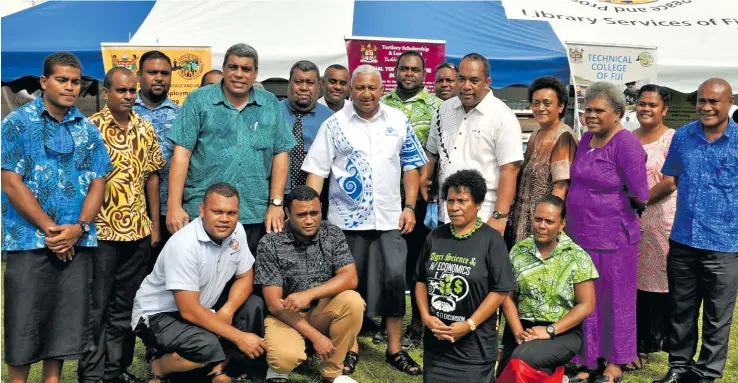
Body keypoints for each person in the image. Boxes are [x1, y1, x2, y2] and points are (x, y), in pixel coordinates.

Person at [302, 64, 427, 376]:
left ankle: (395, 350)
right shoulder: (334, 125)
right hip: (345, 224)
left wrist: (410, 205)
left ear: (381, 89)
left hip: (389, 221)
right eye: (360, 88)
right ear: (350, 90)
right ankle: (350, 348)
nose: (366, 94)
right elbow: (316, 172)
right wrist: (310, 215)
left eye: (372, 88)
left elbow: (411, 165)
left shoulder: (399, 121)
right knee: (348, 290)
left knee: (396, 284)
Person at [2, 52, 112, 383]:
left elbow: (98, 181)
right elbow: (10, 182)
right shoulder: (18, 123)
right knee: (25, 322)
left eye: (75, 81)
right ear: (44, 82)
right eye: (62, 79)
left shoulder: (88, 130)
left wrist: (77, 229)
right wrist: (53, 231)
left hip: (76, 241)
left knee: (66, 323)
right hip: (29, 240)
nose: (69, 87)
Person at [131, 182, 267, 383]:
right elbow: (188, 310)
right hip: (159, 315)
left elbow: (245, 276)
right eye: (217, 211)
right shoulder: (184, 245)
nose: (225, 219)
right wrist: (239, 337)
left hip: (202, 306)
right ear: (202, 210)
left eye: (231, 213)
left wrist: (227, 310)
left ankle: (219, 371)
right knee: (206, 345)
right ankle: (159, 366)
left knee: (253, 305)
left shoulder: (237, 231)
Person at [167, 43, 296, 254]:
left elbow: (280, 153)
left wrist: (276, 203)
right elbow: (181, 154)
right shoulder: (199, 100)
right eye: (233, 67)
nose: (239, 74)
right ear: (224, 69)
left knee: (248, 278)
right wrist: (174, 205)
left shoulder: (270, 103)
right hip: (204, 211)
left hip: (253, 210)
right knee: (200, 278)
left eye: (246, 69)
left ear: (255, 74)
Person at [80, 67, 166, 383]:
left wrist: (155, 226)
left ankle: (115, 370)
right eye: (121, 91)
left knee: (126, 306)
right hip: (99, 233)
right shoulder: (89, 130)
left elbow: (153, 177)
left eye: (132, 91)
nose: (128, 96)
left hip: (138, 233)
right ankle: (91, 374)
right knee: (97, 307)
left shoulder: (144, 128)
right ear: (106, 92)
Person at [654, 78, 738, 383]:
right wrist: (637, 202)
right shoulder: (684, 136)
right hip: (684, 239)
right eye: (701, 100)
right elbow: (670, 179)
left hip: (725, 244)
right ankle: (679, 367)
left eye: (714, 101)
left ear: (729, 103)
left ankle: (707, 374)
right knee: (681, 309)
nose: (706, 107)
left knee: (718, 316)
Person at [566, 81, 649, 383]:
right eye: (588, 109)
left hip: (614, 238)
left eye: (599, 110)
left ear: (617, 113)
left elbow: (641, 192)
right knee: (588, 298)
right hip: (580, 235)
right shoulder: (586, 139)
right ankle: (589, 360)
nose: (591, 114)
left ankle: (615, 364)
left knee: (616, 300)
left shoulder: (625, 143)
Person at [255, 185, 363, 383]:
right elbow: (273, 304)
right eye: (302, 214)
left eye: (314, 213)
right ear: (287, 213)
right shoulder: (270, 242)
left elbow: (350, 278)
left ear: (321, 208)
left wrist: (310, 294)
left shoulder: (332, 233)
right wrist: (316, 336)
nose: (309, 220)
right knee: (283, 359)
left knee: (353, 301)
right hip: (285, 315)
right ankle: (280, 367)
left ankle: (332, 373)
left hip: (320, 309)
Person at [414, 169, 515, 381]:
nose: (454, 207)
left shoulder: (491, 241)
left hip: (474, 352)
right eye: (450, 201)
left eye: (462, 200)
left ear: (478, 204)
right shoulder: (436, 236)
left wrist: (469, 324)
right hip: (436, 349)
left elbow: (501, 289)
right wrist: (425, 316)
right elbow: (421, 281)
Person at [379, 50, 442, 348]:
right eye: (403, 68)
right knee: (389, 262)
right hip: (385, 196)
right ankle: (385, 320)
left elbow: (438, 152)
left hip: (422, 199)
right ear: (395, 71)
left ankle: (417, 325)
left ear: (424, 74)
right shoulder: (380, 103)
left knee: (420, 262)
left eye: (415, 70)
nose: (409, 74)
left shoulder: (438, 108)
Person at [497, 195, 597, 379]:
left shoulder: (577, 256)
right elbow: (507, 297)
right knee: (507, 371)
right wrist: (518, 331)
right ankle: (557, 378)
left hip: (562, 333)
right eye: (538, 219)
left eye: (549, 221)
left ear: (562, 224)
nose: (542, 226)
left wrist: (550, 330)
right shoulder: (518, 251)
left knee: (521, 360)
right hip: (522, 329)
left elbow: (587, 304)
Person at [424, 53, 524, 235]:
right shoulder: (444, 110)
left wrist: (500, 216)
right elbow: (432, 153)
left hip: (483, 217)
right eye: (461, 79)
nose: (466, 86)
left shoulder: (502, 116)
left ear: (487, 82)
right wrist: (425, 180)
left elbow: (510, 169)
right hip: (445, 213)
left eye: (474, 80)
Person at [630, 84, 677, 371]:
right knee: (631, 285)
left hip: (661, 220)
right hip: (629, 222)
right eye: (642, 103)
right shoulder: (626, 138)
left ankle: (659, 343)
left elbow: (671, 181)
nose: (646, 109)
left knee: (660, 285)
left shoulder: (674, 139)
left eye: (652, 105)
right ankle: (634, 346)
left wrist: (640, 201)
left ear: (664, 109)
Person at [510, 76, 577, 244]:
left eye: (547, 103)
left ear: (561, 107)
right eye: (536, 103)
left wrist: (546, 224)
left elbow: (561, 187)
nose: (540, 108)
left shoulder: (563, 136)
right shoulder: (536, 134)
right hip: (524, 221)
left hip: (543, 227)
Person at [133, 50, 181, 272]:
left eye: (165, 73)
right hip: (131, 210)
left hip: (169, 209)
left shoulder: (181, 115)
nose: (159, 78)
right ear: (139, 75)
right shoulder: (124, 110)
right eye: (152, 72)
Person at [280, 60, 333, 194]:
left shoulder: (330, 119)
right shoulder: (273, 112)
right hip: (277, 196)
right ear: (289, 83)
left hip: (317, 197)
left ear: (319, 85)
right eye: (298, 82)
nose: (304, 88)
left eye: (310, 83)